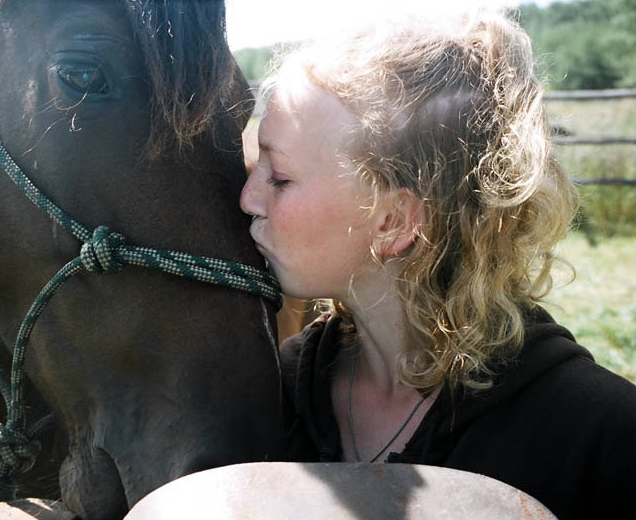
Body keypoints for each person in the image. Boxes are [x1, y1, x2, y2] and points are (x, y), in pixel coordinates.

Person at [239, 9, 636, 520]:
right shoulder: (271, 398)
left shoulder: (600, 442)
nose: (249, 197)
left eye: (280, 177)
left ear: (393, 223)